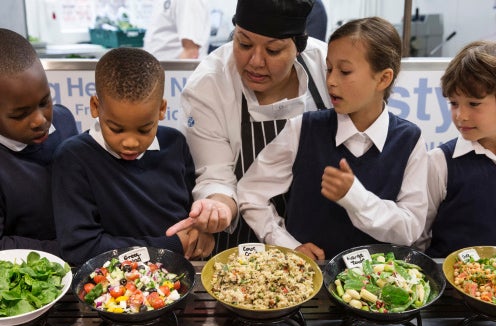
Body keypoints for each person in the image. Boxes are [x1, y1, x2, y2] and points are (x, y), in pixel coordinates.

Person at [237, 17, 428, 260]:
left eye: (345, 71)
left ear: (383, 78)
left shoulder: (409, 141)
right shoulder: (303, 129)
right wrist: (286, 243)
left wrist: (355, 197)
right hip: (304, 282)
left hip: (378, 289)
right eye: (328, 69)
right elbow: (250, 193)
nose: (331, 81)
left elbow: (410, 230)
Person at [166, 0, 331, 253]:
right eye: (243, 44)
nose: (255, 61)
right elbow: (215, 176)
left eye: (273, 51)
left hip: (317, 240)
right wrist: (217, 207)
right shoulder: (210, 85)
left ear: (299, 46)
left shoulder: (328, 65)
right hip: (238, 247)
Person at [52, 47, 214, 266]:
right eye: (116, 129)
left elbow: (191, 215)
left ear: (162, 109)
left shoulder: (175, 143)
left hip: (184, 271)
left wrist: (201, 232)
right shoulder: (74, 157)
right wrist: (172, 245)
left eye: (144, 129)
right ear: (95, 107)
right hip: (116, 287)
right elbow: (81, 248)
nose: (130, 143)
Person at [0, 28, 79, 255]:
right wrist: (69, 248)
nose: (39, 120)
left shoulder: (64, 122)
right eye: (19, 114)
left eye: (45, 102)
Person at [416, 41, 496, 258]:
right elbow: (418, 237)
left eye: (474, 104)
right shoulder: (440, 162)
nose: (461, 115)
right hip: (451, 286)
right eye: (453, 103)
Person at [143, 0, 211, 60]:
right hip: (162, 70)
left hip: (175, 72)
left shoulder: (188, 1)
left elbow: (191, 51)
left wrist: (180, 74)